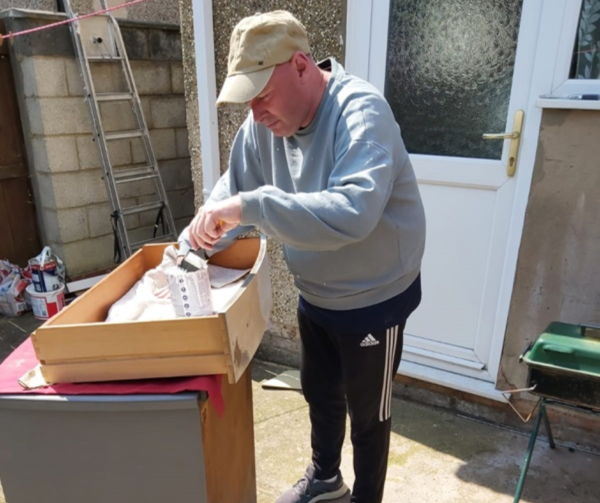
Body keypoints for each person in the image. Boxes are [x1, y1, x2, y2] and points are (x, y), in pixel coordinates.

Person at [178, 10, 426, 503]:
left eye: (261, 96)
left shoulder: (361, 111)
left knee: (368, 415)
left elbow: (353, 211)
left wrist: (248, 207)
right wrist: (200, 236)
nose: (256, 114)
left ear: (300, 65)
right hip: (317, 294)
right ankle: (326, 478)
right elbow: (235, 189)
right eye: (246, 102)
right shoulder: (263, 126)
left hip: (374, 297)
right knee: (320, 392)